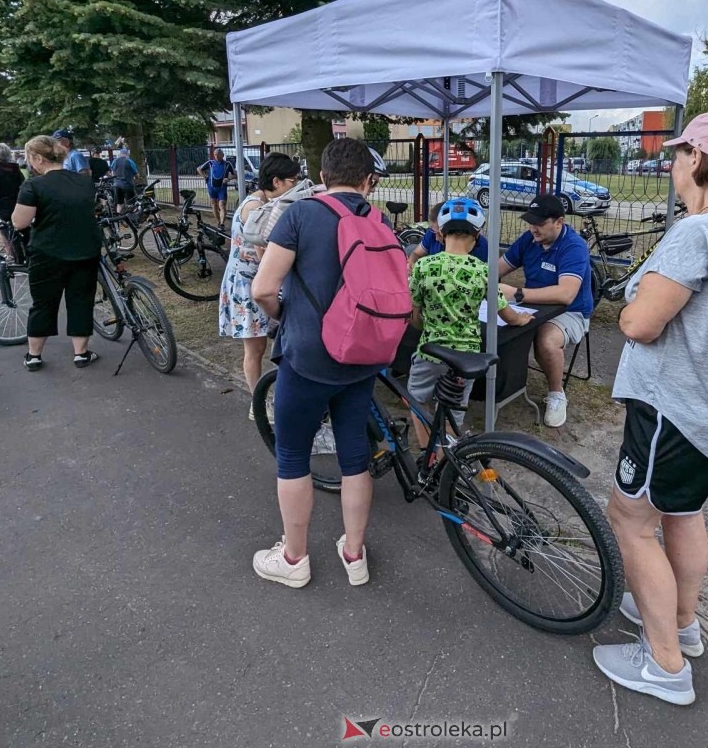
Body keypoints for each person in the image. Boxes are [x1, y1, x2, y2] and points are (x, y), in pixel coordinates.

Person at [591, 111, 708, 707]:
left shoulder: (697, 233)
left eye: (677, 153)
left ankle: (664, 663)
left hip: (678, 413)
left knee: (630, 521)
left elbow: (640, 324)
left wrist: (628, 307)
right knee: (681, 511)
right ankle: (681, 623)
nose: (671, 164)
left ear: (695, 158)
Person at [249, 139, 395, 590]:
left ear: (322, 175)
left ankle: (294, 559)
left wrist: (285, 316)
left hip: (309, 356)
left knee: (293, 455)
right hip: (363, 354)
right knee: (354, 456)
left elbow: (262, 289)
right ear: (368, 180)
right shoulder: (378, 219)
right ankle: (355, 555)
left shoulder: (300, 215)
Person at [408, 198, 528, 449]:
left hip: (431, 351)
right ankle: (447, 458)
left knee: (417, 400)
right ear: (476, 235)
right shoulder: (483, 270)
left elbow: (414, 315)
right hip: (466, 355)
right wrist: (521, 319)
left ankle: (427, 451)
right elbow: (505, 312)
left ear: (441, 233)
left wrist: (424, 325)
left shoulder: (424, 267)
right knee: (453, 412)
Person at [497, 193, 593, 428]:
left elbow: (566, 294)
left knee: (547, 340)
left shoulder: (574, 246)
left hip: (570, 312)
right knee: (501, 327)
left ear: (559, 222)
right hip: (533, 307)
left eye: (539, 223)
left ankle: (557, 393)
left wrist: (517, 294)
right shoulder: (529, 239)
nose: (533, 228)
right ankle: (498, 384)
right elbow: (497, 268)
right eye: (530, 222)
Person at [11, 134, 104, 371]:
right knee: (81, 300)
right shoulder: (84, 182)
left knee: (43, 303)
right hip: (85, 250)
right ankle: (81, 354)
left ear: (37, 158)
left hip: (47, 252)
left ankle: (34, 356)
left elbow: (20, 222)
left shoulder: (33, 185)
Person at [221, 153, 303, 413]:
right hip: (247, 286)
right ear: (276, 181)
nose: (296, 185)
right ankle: (257, 404)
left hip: (251, 281)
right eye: (293, 181)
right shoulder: (256, 209)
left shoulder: (261, 202)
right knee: (255, 349)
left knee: (262, 346)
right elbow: (264, 255)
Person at [407, 200, 489, 269]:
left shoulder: (481, 246)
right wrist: (412, 264)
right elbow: (416, 253)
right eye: (434, 232)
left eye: (439, 234)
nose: (436, 238)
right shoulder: (432, 233)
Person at [197, 147, 235, 228]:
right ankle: (219, 222)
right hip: (211, 188)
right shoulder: (210, 163)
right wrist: (205, 176)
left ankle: (222, 224)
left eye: (218, 155)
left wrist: (228, 178)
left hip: (222, 188)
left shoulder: (227, 164)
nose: (216, 156)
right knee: (214, 205)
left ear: (222, 155)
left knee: (222, 205)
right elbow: (199, 169)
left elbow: (235, 175)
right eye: (215, 155)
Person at [109, 148, 139, 212]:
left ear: (120, 154)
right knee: (131, 204)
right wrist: (136, 178)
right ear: (127, 154)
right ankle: (133, 217)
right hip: (127, 185)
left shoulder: (115, 161)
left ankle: (118, 217)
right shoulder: (130, 162)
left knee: (119, 204)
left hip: (116, 185)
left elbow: (112, 174)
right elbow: (137, 175)